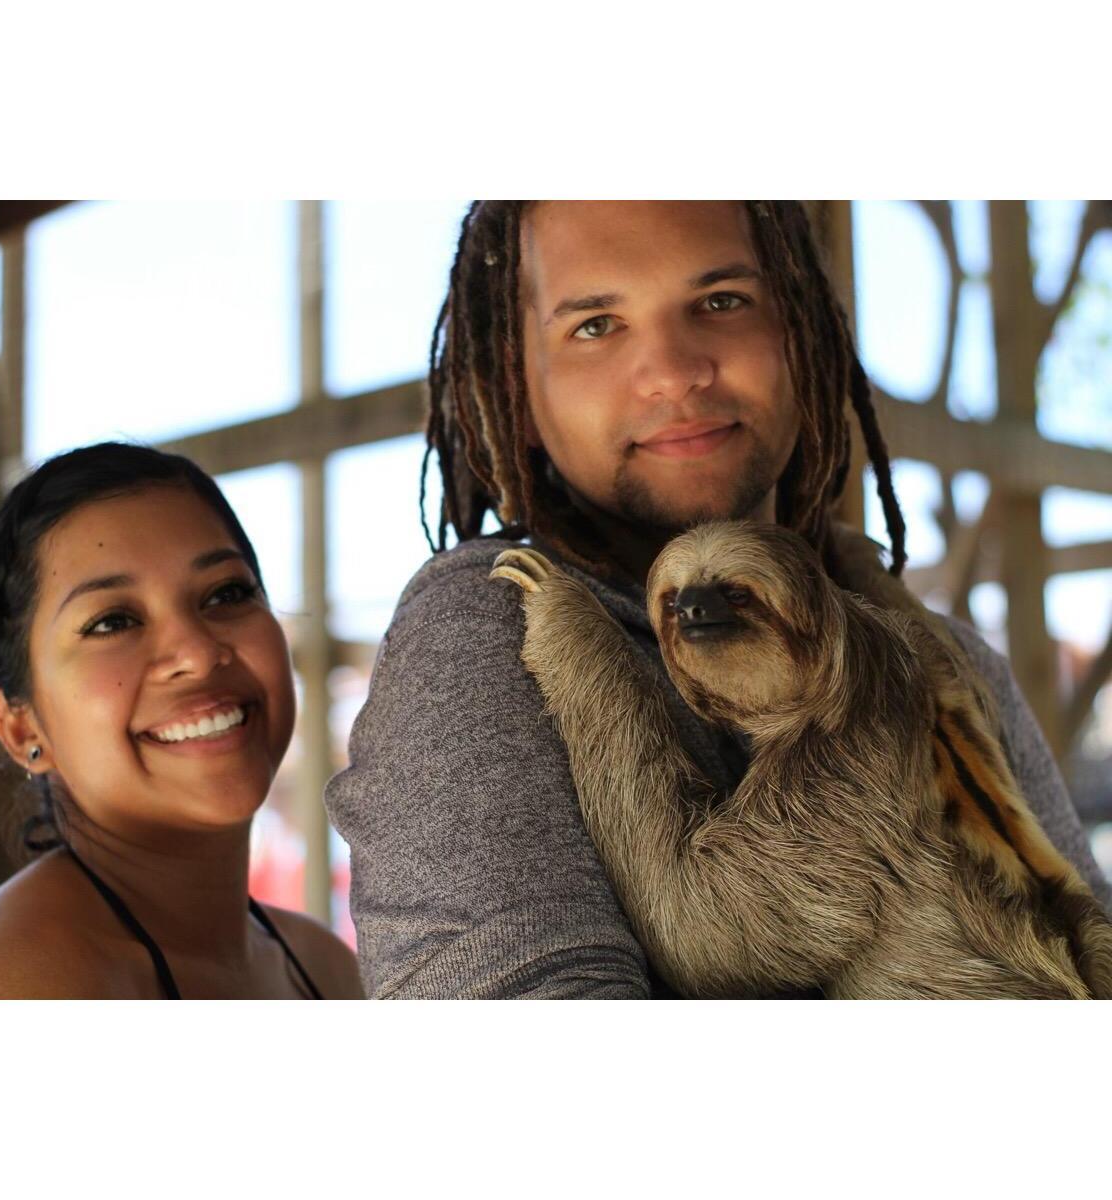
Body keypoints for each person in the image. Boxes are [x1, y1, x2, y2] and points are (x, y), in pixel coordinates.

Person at [325, 200, 1112, 999]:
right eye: (595, 324)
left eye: (722, 301)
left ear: (800, 334)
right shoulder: (492, 620)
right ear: (517, 386)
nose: (675, 370)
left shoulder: (941, 656)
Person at [0, 443, 362, 999]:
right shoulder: (20, 980)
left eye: (227, 593)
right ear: (21, 728)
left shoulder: (320, 962)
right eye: (113, 622)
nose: (198, 654)